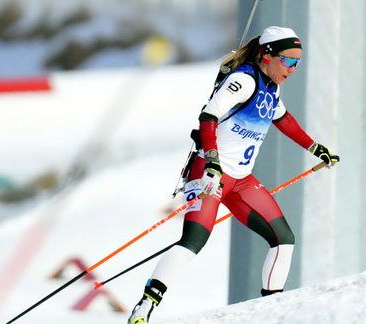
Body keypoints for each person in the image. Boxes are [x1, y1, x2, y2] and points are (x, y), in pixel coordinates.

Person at [128, 26, 339, 324]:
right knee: (193, 242)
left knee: (284, 239)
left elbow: (284, 119)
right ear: (267, 55)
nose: (293, 70)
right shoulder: (244, 80)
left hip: (242, 181)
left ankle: (271, 311)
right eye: (289, 62)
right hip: (210, 173)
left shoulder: (271, 87)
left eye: (298, 63)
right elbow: (209, 115)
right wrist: (212, 161)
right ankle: (144, 308)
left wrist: (315, 147)